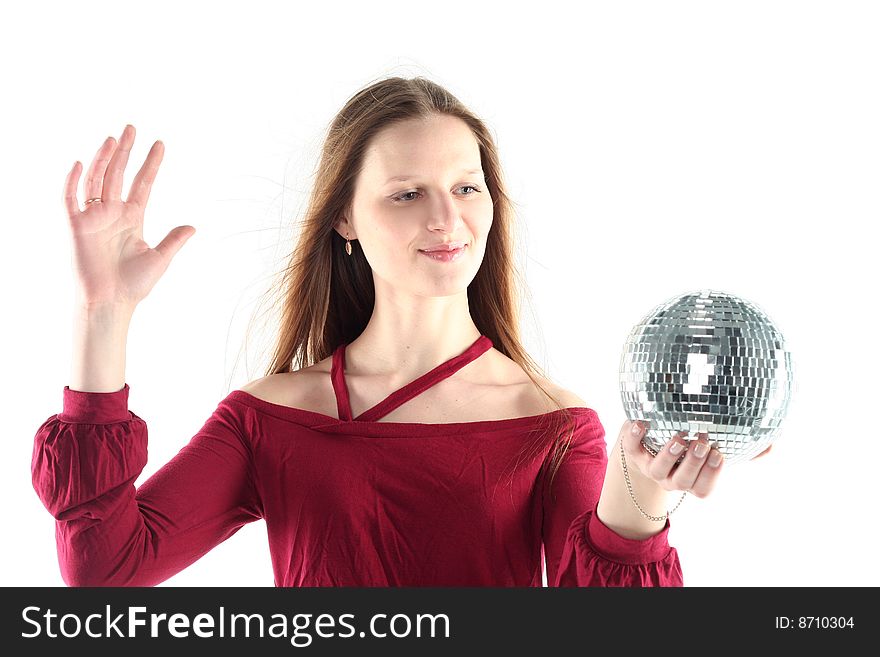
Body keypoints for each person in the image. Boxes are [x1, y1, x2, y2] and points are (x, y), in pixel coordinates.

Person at [32, 76, 761, 587]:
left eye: (466, 187)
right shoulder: (273, 417)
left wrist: (644, 499)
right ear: (344, 218)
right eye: (408, 193)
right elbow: (103, 565)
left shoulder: (553, 424)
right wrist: (103, 313)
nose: (447, 219)